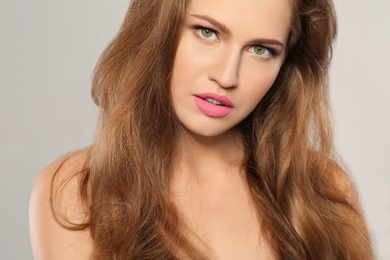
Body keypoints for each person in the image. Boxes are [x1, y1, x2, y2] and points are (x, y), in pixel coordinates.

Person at [29, 0, 374, 259]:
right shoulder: (77, 190)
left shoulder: (323, 189)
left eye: (261, 50)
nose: (227, 76)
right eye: (207, 32)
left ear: (285, 64)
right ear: (158, 27)